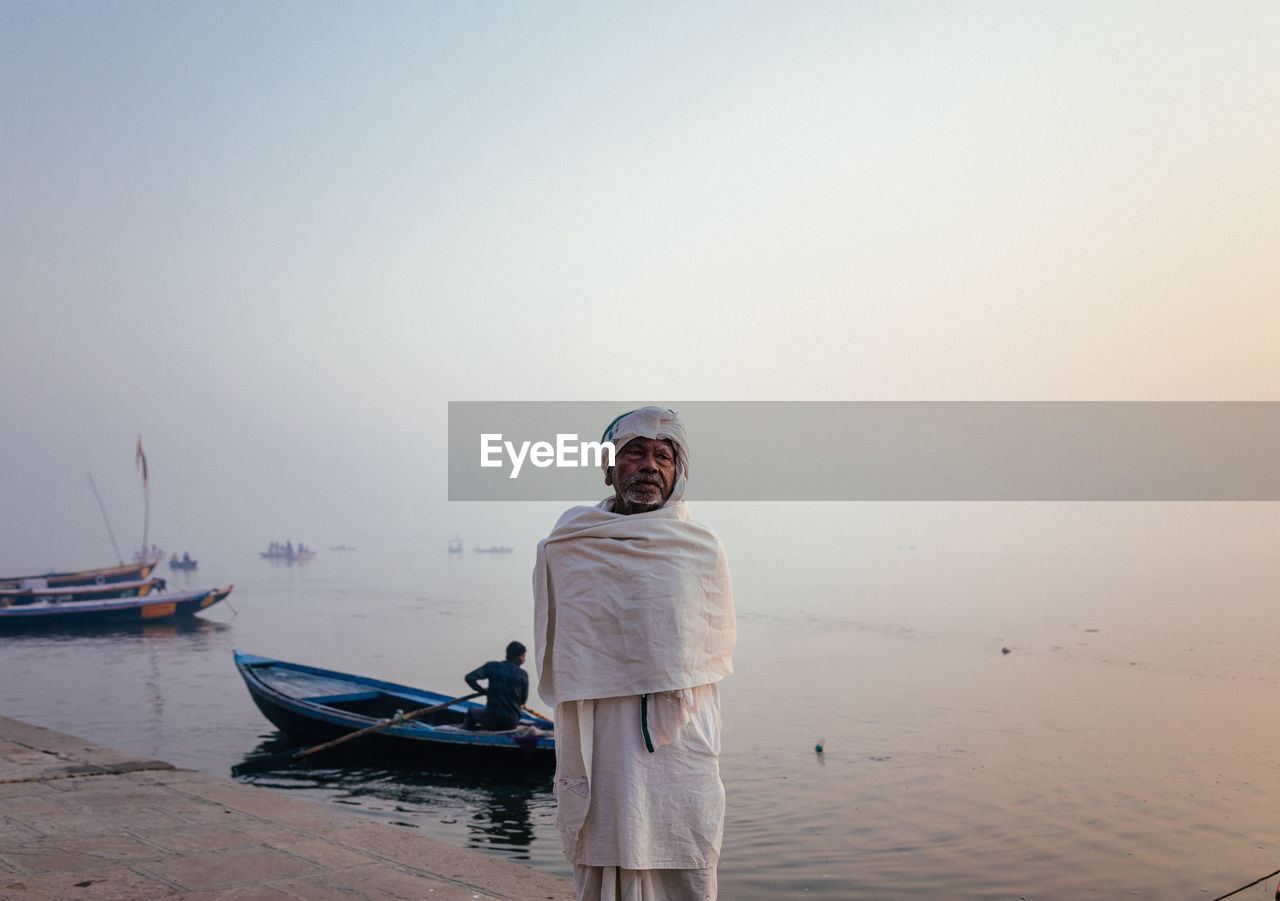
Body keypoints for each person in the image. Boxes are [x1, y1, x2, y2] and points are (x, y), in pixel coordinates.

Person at [533, 406, 736, 901]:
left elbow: (709, 643)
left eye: (663, 456)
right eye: (635, 453)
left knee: (683, 855)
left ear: (677, 472)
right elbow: (564, 641)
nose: (650, 466)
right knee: (605, 849)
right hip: (599, 729)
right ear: (608, 466)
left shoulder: (699, 547)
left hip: (678, 736)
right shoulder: (569, 542)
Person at [462, 641, 530, 731]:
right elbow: (522, 701)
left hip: (492, 720)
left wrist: (482, 690)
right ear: (518, 657)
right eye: (523, 656)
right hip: (512, 722)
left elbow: (469, 678)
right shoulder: (523, 675)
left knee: (471, 711)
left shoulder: (492, 666)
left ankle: (467, 733)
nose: (524, 660)